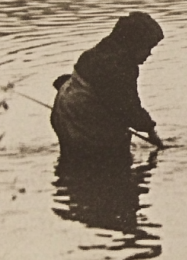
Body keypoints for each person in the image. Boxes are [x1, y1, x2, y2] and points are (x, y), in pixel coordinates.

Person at [51, 11, 166, 163]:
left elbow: (68, 80)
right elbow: (127, 107)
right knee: (109, 160)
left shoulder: (100, 51)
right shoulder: (119, 66)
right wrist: (150, 130)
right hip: (80, 116)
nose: (149, 53)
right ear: (134, 44)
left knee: (73, 159)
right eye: (147, 48)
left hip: (63, 109)